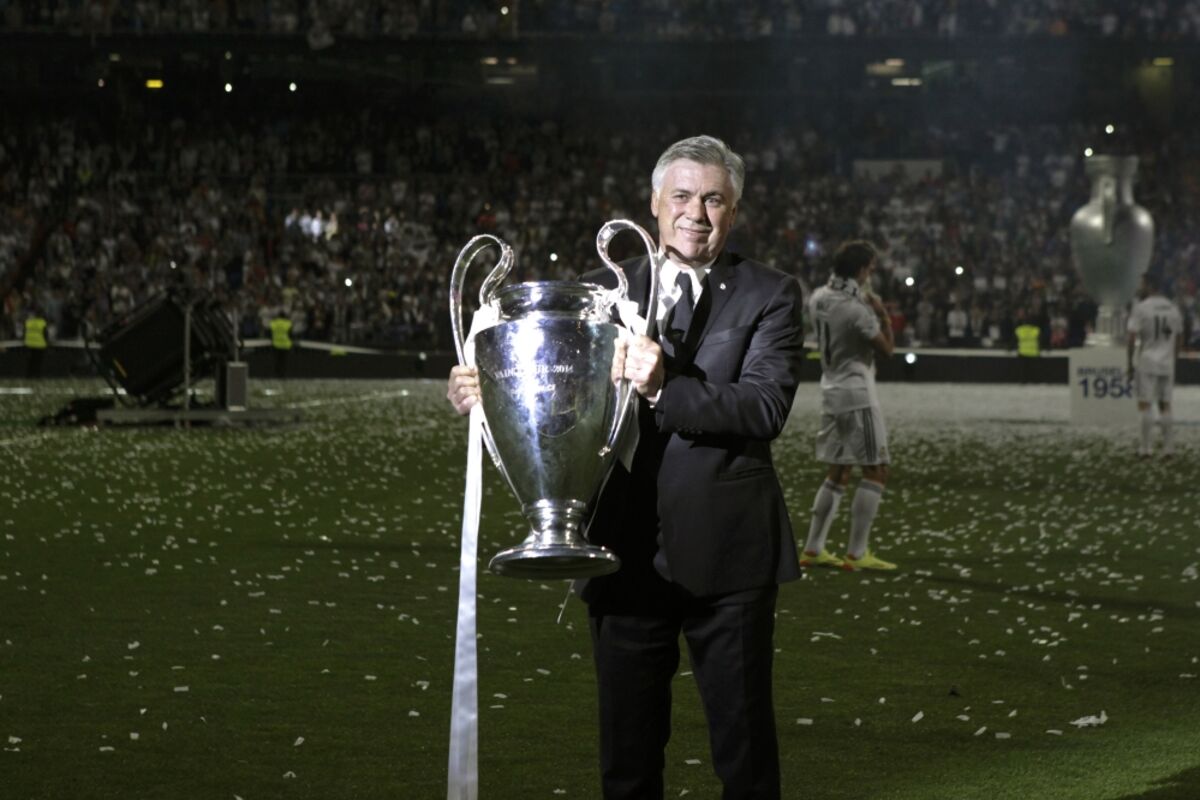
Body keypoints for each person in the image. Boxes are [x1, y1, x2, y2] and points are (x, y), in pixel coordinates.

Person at [447, 134, 805, 799]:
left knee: (746, 756)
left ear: (733, 211)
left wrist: (666, 387)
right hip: (619, 551)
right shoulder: (599, 295)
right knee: (628, 759)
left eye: (714, 200)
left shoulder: (772, 293)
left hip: (729, 556)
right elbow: (555, 399)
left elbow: (764, 407)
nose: (696, 212)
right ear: (654, 203)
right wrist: (490, 391)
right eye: (682, 196)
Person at [799, 240, 897, 572]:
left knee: (839, 471)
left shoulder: (818, 297)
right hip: (857, 394)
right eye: (870, 268)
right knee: (876, 469)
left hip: (831, 389)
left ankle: (813, 548)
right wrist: (883, 316)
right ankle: (856, 553)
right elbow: (887, 350)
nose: (871, 274)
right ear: (861, 270)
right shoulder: (857, 309)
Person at [1127, 274, 1183, 458]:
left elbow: (1132, 336)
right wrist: (1174, 358)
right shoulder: (1173, 308)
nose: (1140, 287)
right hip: (1167, 362)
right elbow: (1179, 336)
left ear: (1149, 285)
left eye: (1142, 284)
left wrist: (1130, 362)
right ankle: (1169, 448)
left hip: (1147, 360)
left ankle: (1145, 449)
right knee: (1165, 404)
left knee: (1145, 403)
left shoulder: (1142, 308)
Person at [23, 306, 49, 379]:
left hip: (29, 344)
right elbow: (45, 334)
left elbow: (24, 332)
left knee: (30, 361)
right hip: (40, 344)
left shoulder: (29, 322)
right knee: (38, 361)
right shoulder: (42, 323)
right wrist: (47, 342)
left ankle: (28, 375)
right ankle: (37, 375)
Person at [269, 307, 293, 378]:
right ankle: (283, 375)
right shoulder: (288, 323)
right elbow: (290, 334)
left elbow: (270, 333)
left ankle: (276, 375)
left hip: (275, 344)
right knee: (284, 362)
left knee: (276, 361)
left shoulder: (273, 323)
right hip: (285, 345)